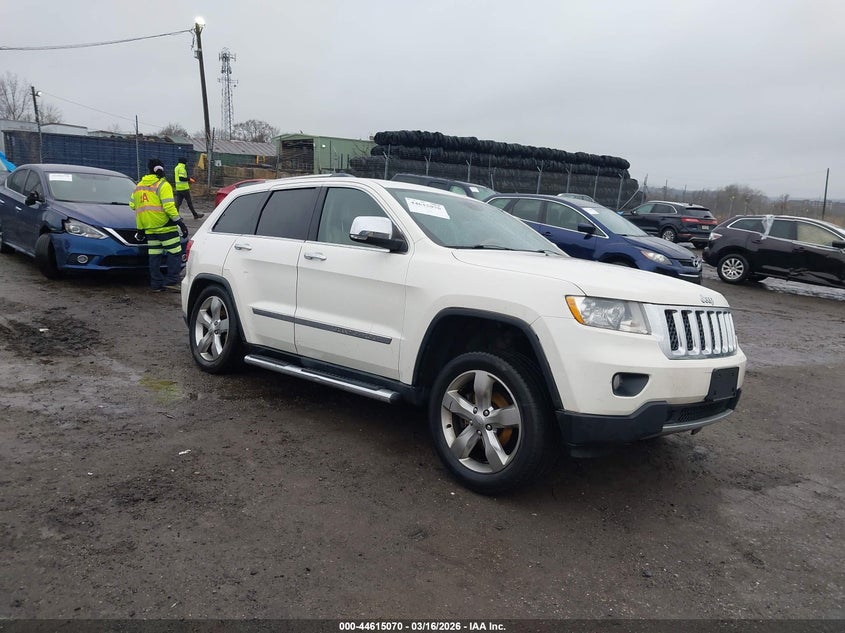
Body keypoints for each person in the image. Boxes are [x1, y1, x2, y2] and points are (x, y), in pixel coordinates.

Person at [130, 158, 187, 292]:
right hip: (165, 225)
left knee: (155, 255)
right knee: (175, 252)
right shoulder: (163, 185)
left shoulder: (139, 186)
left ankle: (156, 284)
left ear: (149, 169)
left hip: (149, 227)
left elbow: (132, 204)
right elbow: (168, 206)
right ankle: (172, 281)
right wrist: (179, 222)